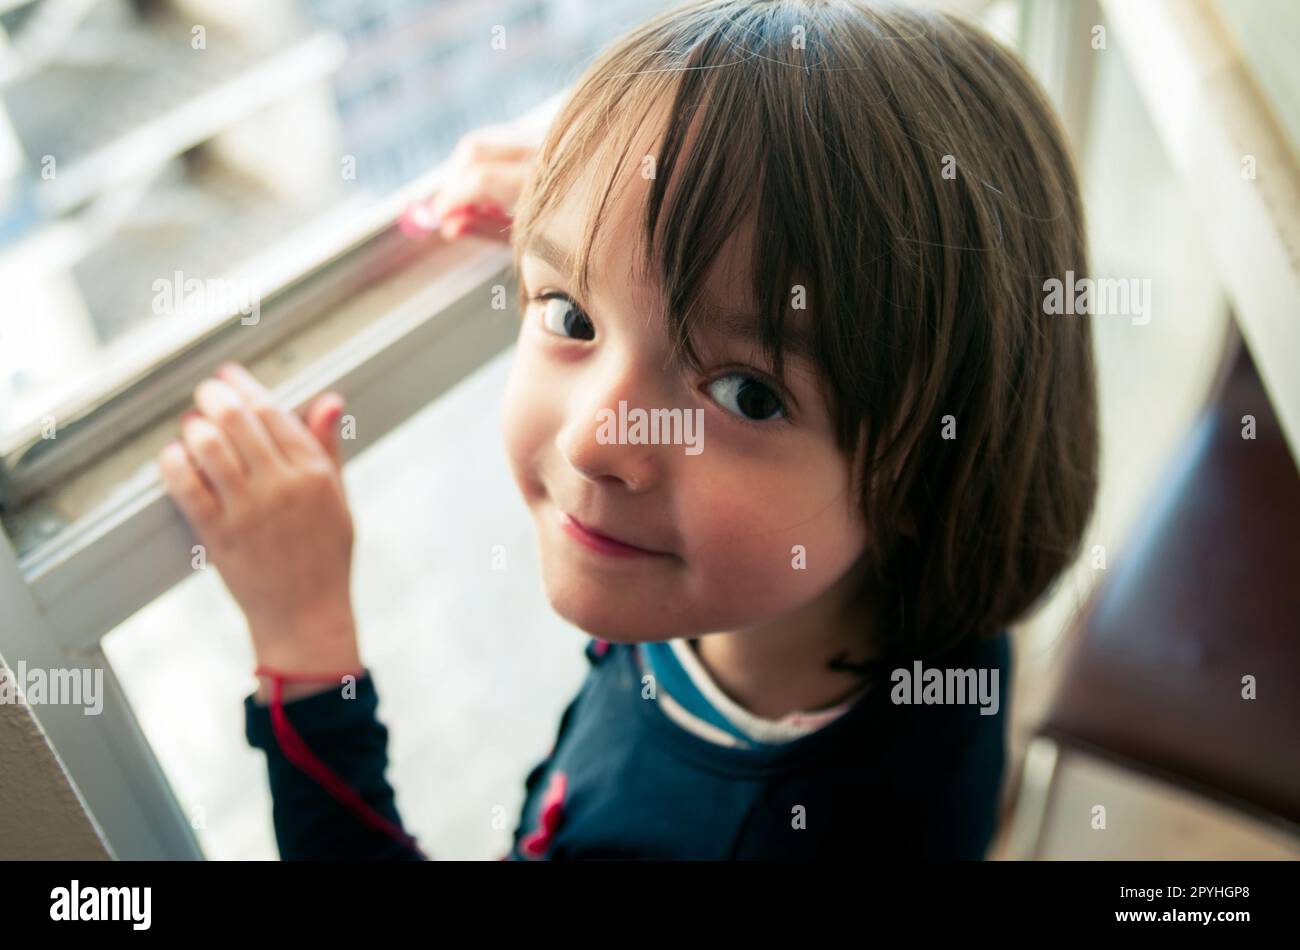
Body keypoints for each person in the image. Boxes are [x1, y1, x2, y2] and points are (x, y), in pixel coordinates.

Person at [158, 0, 1098, 860]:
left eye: (748, 395)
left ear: (933, 470)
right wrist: (621, 215)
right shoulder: (914, 613)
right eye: (569, 314)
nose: (595, 441)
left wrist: (305, 641)